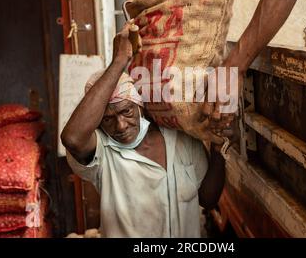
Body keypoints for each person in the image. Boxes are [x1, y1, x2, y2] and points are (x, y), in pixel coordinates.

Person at [60, 24, 228, 238]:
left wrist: (218, 147)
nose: (120, 126)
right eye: (108, 120)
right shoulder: (102, 152)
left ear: (140, 104)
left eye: (126, 111)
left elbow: (207, 199)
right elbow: (72, 138)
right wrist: (119, 62)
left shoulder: (179, 137)